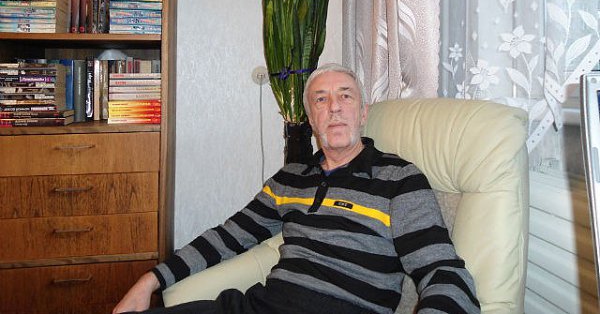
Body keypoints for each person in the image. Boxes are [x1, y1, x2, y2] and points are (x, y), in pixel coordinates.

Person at [113, 63, 480, 314]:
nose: (334, 107)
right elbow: (227, 237)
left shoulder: (398, 178)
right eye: (321, 99)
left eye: (346, 96)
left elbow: (442, 271)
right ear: (311, 120)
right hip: (261, 305)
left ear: (363, 112)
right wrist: (149, 281)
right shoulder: (289, 179)